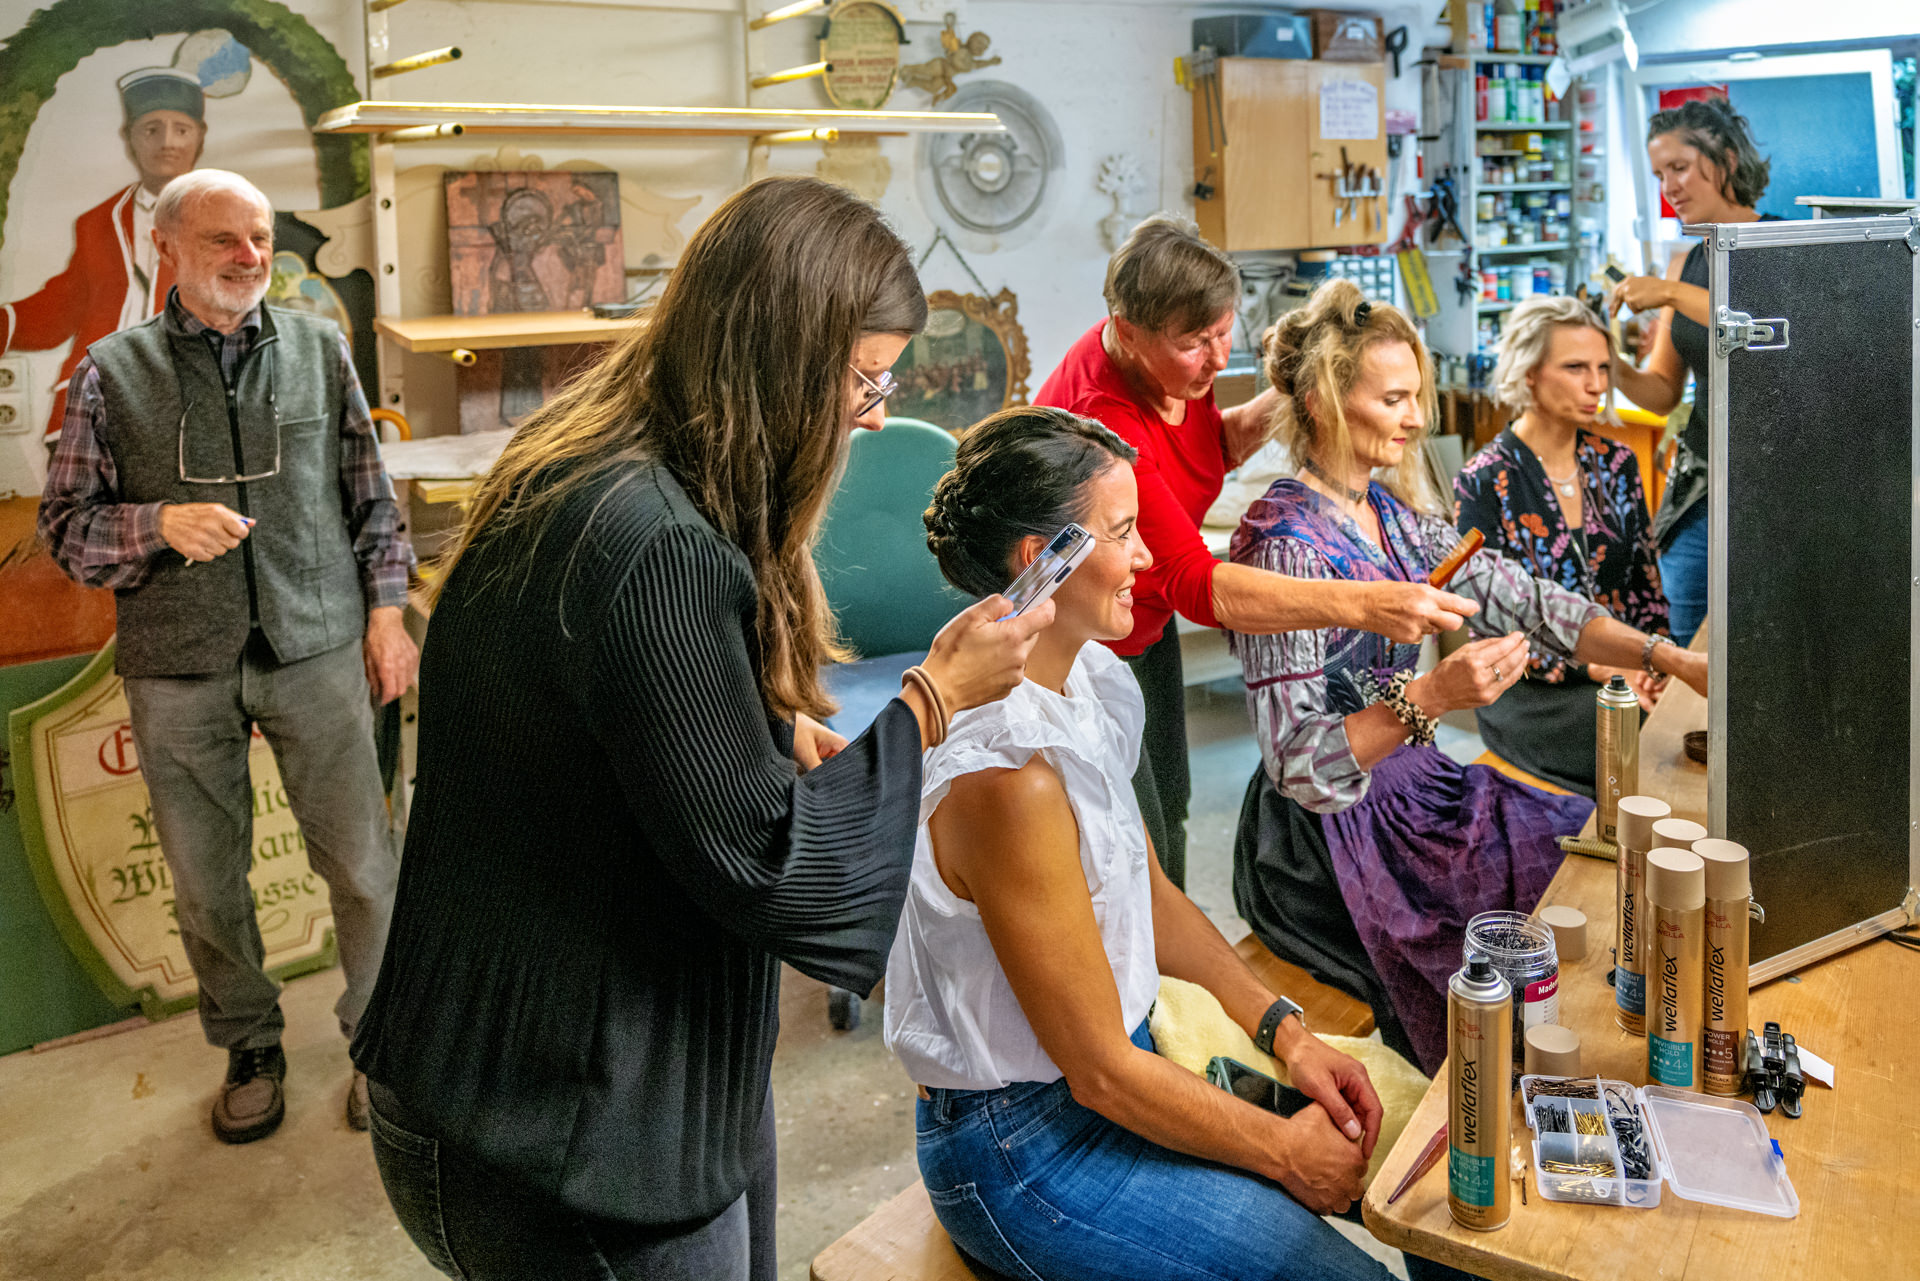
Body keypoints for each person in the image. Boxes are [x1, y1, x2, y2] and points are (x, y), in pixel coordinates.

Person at [349, 176, 1051, 1281]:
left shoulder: (592, 462)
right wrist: (932, 700)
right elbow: (778, 877)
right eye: (863, 381)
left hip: (525, 1076)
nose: (874, 417)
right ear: (779, 360)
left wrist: (756, 736)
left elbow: (606, 730)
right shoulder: (656, 543)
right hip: (562, 1130)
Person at [896, 404, 1420, 1281]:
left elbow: (1144, 885)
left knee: (1429, 1178)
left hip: (1120, 1073)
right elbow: (1099, 1072)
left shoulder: (1089, 680)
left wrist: (1285, 1031)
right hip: (1031, 1146)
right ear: (1041, 558)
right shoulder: (1007, 778)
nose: (1146, 557)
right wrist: (1283, 1151)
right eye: (1123, 532)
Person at [1227, 281, 1707, 1072]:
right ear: (1321, 401)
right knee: (1492, 947)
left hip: (1412, 789)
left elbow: (1530, 600)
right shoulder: (1283, 544)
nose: (1419, 418)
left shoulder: (1393, 517)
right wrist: (1430, 696)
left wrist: (1665, 655)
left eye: (1417, 395)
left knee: (1579, 846)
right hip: (1324, 838)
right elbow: (1297, 765)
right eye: (1394, 399)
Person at [38, 169, 417, 1141]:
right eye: (223, 240)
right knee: (207, 883)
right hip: (177, 662)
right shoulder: (108, 371)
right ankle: (249, 1044)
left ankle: (380, 1041)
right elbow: (67, 530)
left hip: (317, 642)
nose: (250, 258)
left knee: (363, 864)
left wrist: (386, 617)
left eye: (260, 238)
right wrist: (158, 524)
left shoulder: (320, 347)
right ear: (165, 247)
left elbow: (371, 498)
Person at [1035, 215, 1472, 889]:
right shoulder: (1106, 417)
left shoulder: (1174, 368)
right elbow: (1195, 583)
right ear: (1128, 331)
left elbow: (1209, 444)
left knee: (1170, 806)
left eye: (1224, 330)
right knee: (1128, 836)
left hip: (1138, 615)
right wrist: (1367, 603)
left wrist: (1316, 376)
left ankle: (1167, 946)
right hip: (1077, 636)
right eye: (1194, 343)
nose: (1217, 358)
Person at [1453, 296, 1672, 795]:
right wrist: (1597, 665)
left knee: (1684, 725)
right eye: (1575, 368)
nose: (1596, 384)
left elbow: (1646, 588)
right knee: (1646, 745)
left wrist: (1652, 662)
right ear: (1529, 372)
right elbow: (1489, 625)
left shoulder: (1616, 464)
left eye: (1603, 367)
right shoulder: (1484, 480)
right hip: (1533, 694)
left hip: (1625, 670)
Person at [1606, 97, 1778, 645]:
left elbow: (1768, 325)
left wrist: (1670, 294)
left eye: (1679, 168)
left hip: (1777, 488)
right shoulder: (1686, 262)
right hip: (1703, 487)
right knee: (1683, 642)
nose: (1669, 188)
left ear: (1726, 161)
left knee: (1767, 640)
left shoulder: (1783, 246)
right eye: (1660, 175)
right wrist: (1609, 364)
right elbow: (1661, 392)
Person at [3, 67, 205, 448]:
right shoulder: (98, 222)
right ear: (129, 138)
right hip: (97, 403)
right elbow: (63, 308)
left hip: (188, 405)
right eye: (151, 129)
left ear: (200, 137)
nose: (167, 142)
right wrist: (5, 323)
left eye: (181, 129)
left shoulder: (228, 217)